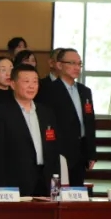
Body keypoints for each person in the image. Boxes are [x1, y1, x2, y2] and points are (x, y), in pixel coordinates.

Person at [0, 64, 60, 197]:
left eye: (35, 82)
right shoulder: (1, 112)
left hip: (45, 181)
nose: (31, 86)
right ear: (13, 84)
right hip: (14, 183)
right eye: (26, 81)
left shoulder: (46, 113)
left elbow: (54, 149)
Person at [36, 48, 96, 186]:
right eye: (72, 63)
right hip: (59, 151)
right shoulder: (47, 90)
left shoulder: (85, 91)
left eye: (79, 64)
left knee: (76, 191)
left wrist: (91, 153)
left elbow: (89, 123)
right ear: (59, 65)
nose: (77, 67)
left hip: (80, 151)